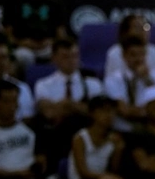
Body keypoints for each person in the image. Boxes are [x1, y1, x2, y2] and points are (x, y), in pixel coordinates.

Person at [33, 38, 104, 166]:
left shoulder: (92, 83)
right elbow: (48, 114)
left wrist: (66, 104)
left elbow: (98, 114)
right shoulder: (43, 84)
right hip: (56, 136)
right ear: (54, 58)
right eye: (65, 57)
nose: (71, 61)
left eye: (74, 56)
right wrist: (79, 107)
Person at [2, 0, 69, 68]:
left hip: (48, 48)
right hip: (22, 49)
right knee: (23, 57)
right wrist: (21, 42)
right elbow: (8, 35)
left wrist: (52, 42)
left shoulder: (55, 4)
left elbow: (61, 35)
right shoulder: (12, 3)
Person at [103, 36, 155, 132]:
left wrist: (146, 80)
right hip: (123, 131)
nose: (138, 59)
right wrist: (149, 112)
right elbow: (124, 111)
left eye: (142, 54)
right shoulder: (113, 80)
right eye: (133, 55)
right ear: (124, 55)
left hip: (152, 131)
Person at [68, 95, 126, 179]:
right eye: (104, 111)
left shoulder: (114, 140)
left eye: (112, 111)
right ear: (93, 114)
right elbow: (82, 172)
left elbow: (114, 169)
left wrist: (118, 150)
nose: (109, 115)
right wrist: (109, 178)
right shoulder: (80, 138)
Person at [103, 15, 155, 81]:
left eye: (146, 27)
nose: (143, 30)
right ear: (126, 31)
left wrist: (146, 76)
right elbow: (111, 81)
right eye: (137, 27)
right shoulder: (115, 52)